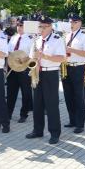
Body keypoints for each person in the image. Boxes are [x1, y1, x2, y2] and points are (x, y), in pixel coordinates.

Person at [26, 15, 66, 144]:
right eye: (40, 27)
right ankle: (38, 130)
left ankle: (55, 133)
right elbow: (32, 58)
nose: (41, 29)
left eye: (44, 27)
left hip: (50, 74)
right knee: (37, 104)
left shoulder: (57, 39)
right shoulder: (36, 40)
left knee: (51, 105)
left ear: (50, 27)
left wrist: (44, 56)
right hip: (37, 73)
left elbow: (61, 58)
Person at [62, 13, 85, 134]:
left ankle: (80, 124)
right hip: (66, 66)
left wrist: (71, 50)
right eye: (70, 22)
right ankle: (72, 120)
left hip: (78, 68)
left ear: (80, 23)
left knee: (79, 96)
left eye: (74, 22)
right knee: (68, 95)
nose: (72, 24)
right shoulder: (67, 35)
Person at [6, 16, 33, 123]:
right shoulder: (13, 38)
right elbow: (8, 52)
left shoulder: (31, 38)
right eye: (18, 25)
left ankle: (24, 114)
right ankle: (8, 113)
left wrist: (23, 59)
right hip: (12, 68)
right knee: (11, 92)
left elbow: (32, 55)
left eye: (21, 25)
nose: (19, 27)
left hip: (24, 68)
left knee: (26, 93)